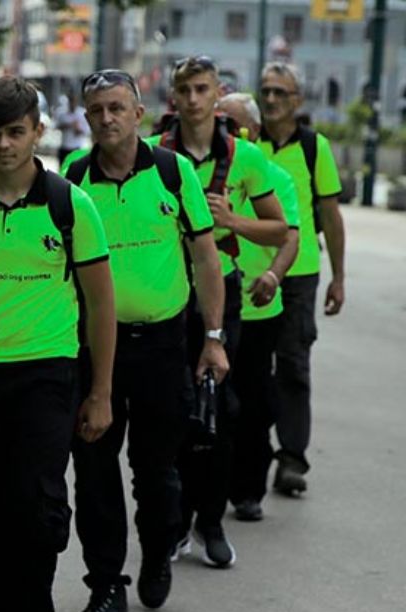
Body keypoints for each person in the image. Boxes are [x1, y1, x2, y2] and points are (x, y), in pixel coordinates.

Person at [0, 76, 115, 612]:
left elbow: (100, 306)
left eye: (17, 131)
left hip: (47, 376)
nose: (5, 144)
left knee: (36, 508)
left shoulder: (71, 205)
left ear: (38, 131)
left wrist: (100, 394)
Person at [60, 69, 227, 612]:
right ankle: (107, 588)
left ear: (139, 114)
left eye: (116, 108)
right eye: (96, 111)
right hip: (93, 348)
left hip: (162, 346)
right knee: (94, 471)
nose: (106, 119)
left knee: (156, 471)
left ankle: (158, 551)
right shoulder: (74, 180)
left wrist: (213, 337)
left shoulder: (172, 172)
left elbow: (205, 258)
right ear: (85, 119)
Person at [155, 55, 287, 569]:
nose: (192, 99)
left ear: (216, 94)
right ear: (172, 98)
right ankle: (174, 523)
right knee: (172, 411)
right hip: (168, 296)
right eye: (183, 90)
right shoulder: (155, 156)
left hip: (222, 293)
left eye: (201, 89)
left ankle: (210, 520)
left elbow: (283, 230)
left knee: (219, 409)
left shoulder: (244, 157)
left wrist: (234, 219)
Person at [255, 62, 346, 497]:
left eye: (280, 93)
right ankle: (247, 456)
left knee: (292, 365)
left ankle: (292, 458)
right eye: (265, 91)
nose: (271, 99)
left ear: (297, 100)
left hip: (301, 273)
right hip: (252, 272)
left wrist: (338, 277)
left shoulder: (314, 148)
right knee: (250, 368)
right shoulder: (244, 143)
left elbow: (330, 214)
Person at [215, 93, 301, 522]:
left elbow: (290, 236)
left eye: (232, 125)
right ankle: (205, 491)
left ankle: (248, 490)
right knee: (212, 405)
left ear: (249, 132)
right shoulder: (192, 170)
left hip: (257, 311)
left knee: (253, 403)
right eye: (219, 123)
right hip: (210, 308)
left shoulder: (272, 176)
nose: (224, 133)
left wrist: (272, 276)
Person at [56, 92, 90, 166]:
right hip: (64, 146)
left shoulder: (82, 113)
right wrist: (68, 125)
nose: (72, 104)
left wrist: (78, 129)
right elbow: (56, 126)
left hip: (77, 147)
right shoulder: (61, 112)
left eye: (74, 101)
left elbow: (87, 131)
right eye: (71, 101)